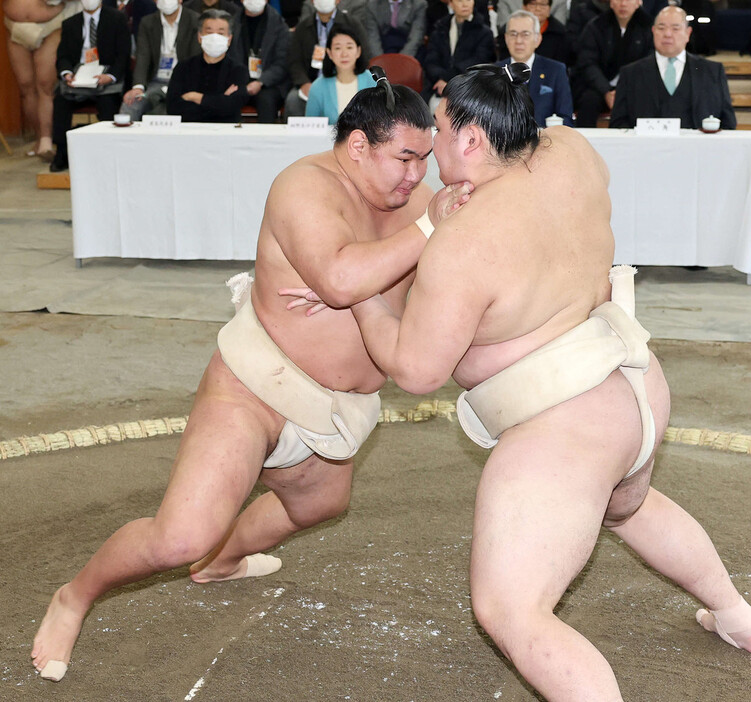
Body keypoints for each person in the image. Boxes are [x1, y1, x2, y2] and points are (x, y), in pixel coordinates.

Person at [282, 63, 751, 701]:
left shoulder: (466, 243)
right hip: (635, 387)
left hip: (564, 426)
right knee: (625, 505)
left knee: (511, 611)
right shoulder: (574, 151)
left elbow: (416, 369)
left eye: (439, 133)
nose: (431, 153)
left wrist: (363, 300)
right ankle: (737, 617)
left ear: (471, 141)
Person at [30, 75, 471, 683]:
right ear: (358, 146)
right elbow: (343, 280)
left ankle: (224, 562)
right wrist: (413, 242)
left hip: (339, 406)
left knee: (321, 503)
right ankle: (74, 596)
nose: (415, 176)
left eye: (424, 160)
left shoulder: (416, 201)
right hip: (258, 385)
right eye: (403, 158)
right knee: (181, 537)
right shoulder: (304, 187)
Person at [609, 6, 735, 129]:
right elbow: (618, 123)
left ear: (688, 33)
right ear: (653, 31)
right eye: (661, 28)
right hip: (646, 147)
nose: (667, 34)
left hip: (697, 148)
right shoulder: (631, 73)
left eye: (675, 28)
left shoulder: (712, 71)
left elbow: (728, 122)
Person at [50, 0, 131, 172]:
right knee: (60, 101)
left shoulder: (117, 19)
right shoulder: (70, 23)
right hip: (78, 77)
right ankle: (62, 152)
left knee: (108, 103)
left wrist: (110, 76)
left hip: (105, 77)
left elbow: (123, 54)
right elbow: (62, 56)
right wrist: (66, 73)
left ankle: (106, 154)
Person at [3, 0, 80, 159]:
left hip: (50, 25)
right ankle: (39, 138)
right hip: (14, 25)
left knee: (45, 85)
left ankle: (47, 140)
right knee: (25, 86)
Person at [572, 0, 652, 127]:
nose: (623, 4)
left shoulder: (649, 27)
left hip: (635, 87)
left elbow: (649, 63)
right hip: (600, 87)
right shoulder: (596, 25)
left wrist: (624, 91)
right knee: (588, 100)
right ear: (611, 2)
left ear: (638, 3)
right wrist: (606, 91)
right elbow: (587, 62)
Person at [284, 0, 371, 117]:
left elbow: (365, 52)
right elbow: (295, 61)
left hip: (345, 75)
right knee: (293, 100)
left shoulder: (352, 23)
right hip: (311, 81)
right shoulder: (303, 27)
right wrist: (304, 83)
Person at [119, 0, 200, 121]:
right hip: (155, 82)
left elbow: (195, 58)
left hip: (183, 83)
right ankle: (124, 139)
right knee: (131, 104)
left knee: (173, 109)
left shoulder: (195, 20)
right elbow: (143, 56)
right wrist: (138, 86)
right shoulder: (147, 22)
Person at [166, 9, 248, 122]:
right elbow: (173, 107)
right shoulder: (183, 67)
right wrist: (220, 101)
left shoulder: (238, 70)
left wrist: (195, 97)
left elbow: (231, 107)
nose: (214, 37)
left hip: (225, 132)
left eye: (220, 33)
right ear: (199, 37)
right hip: (190, 131)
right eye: (209, 33)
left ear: (229, 39)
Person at [498, 10, 573, 126]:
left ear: (538, 39)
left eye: (525, 34)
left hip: (545, 141)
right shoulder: (493, 73)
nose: (518, 41)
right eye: (513, 34)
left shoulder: (555, 71)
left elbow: (565, 119)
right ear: (506, 38)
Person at [227, 0, 292, 122]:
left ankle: (266, 140)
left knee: (266, 100)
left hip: (269, 84)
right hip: (240, 81)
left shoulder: (279, 24)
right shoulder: (233, 22)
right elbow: (229, 58)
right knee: (227, 97)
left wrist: (261, 82)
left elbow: (282, 63)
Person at [422, 0, 495, 108]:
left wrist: (449, 81)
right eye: (460, 0)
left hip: (470, 88)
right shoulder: (439, 29)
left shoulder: (484, 32)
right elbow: (431, 61)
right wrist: (441, 80)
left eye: (469, 0)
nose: (465, 4)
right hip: (439, 87)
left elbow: (479, 61)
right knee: (430, 109)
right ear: (451, 3)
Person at [306, 24, 376, 122]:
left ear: (358, 51)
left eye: (349, 47)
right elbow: (309, 127)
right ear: (329, 53)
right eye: (338, 48)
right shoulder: (318, 87)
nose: (344, 54)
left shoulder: (373, 81)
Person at [498, 0, 574, 67]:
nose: (538, 8)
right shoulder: (508, 31)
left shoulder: (561, 34)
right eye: (533, 4)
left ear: (549, 9)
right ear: (524, 7)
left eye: (543, 4)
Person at [362, 0, 427, 58]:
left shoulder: (419, 4)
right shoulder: (371, 5)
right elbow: (372, 38)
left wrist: (401, 61)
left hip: (409, 50)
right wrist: (381, 61)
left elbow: (416, 37)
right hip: (383, 48)